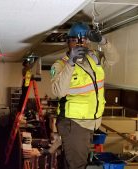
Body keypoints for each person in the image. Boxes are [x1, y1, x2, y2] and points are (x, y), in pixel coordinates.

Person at [50, 22, 107, 169]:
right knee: (77, 165)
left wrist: (102, 41)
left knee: (72, 161)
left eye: (85, 40)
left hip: (90, 123)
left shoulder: (93, 59)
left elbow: (115, 59)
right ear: (69, 42)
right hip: (74, 124)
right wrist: (71, 62)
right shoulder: (60, 65)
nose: (82, 44)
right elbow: (58, 92)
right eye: (76, 40)